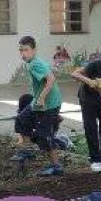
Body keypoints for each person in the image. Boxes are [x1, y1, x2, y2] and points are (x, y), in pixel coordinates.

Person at [18, 36, 65, 176]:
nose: (23, 53)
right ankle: (27, 151)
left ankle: (57, 167)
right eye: (20, 50)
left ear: (34, 50)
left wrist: (42, 98)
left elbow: (51, 79)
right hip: (39, 102)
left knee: (44, 136)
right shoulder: (32, 62)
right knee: (22, 119)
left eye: (26, 50)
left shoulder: (35, 64)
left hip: (48, 105)